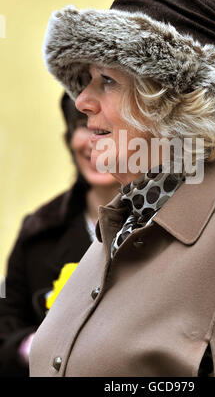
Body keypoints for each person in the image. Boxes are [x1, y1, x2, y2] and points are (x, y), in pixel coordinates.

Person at [30, 0, 215, 377]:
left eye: (108, 81)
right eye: (87, 79)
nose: (82, 100)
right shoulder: (127, 218)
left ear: (176, 108)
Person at [0, 93, 120, 376]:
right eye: (82, 124)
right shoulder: (39, 231)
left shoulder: (168, 226)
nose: (94, 140)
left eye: (109, 127)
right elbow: (6, 324)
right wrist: (28, 346)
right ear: (69, 137)